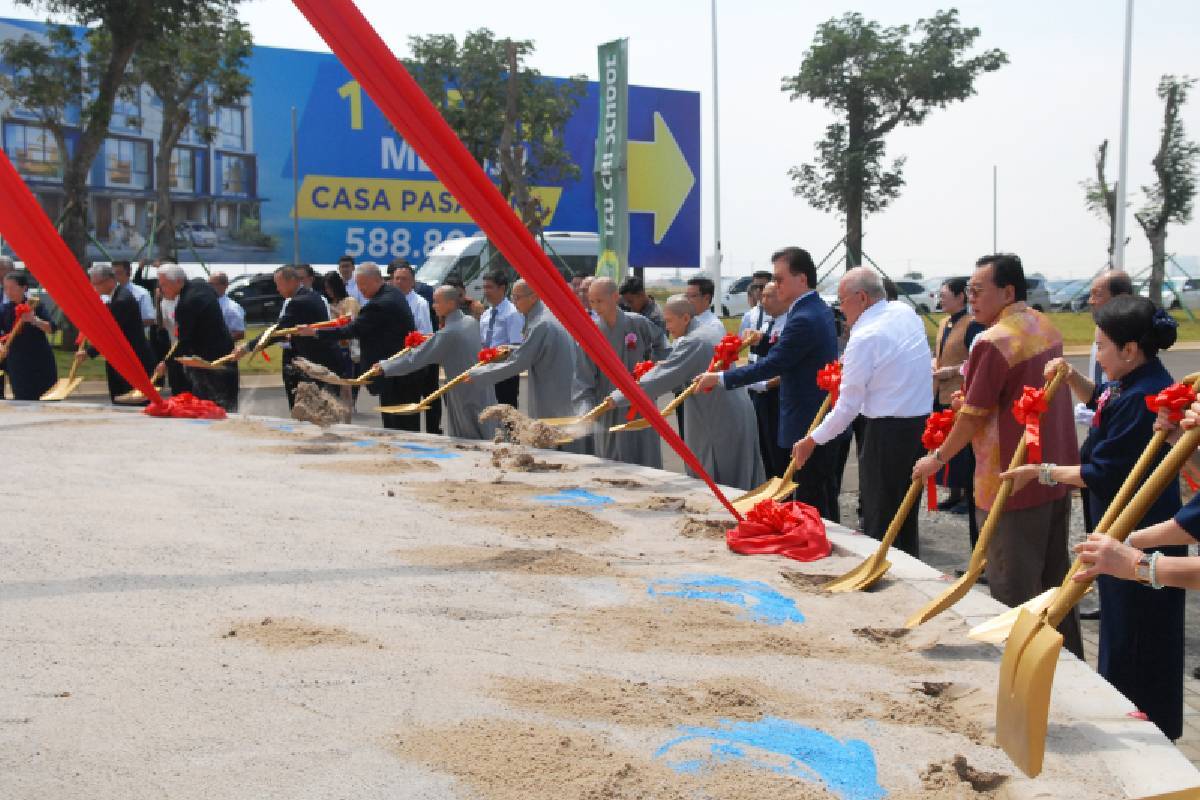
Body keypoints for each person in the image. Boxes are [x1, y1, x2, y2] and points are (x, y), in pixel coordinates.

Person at [1000, 295, 1182, 740]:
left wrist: (1041, 472)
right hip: (1117, 524)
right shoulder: (1131, 381)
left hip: (1140, 530)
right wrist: (1071, 378)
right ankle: (1122, 710)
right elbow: (1101, 399)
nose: (1095, 355)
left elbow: (1104, 471)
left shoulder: (1147, 396)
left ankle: (1145, 728)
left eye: (1100, 347)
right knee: (1121, 625)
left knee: (1137, 635)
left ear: (1130, 349)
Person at [912, 253, 1082, 659]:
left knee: (1013, 587)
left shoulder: (993, 340)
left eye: (977, 290)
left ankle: (1022, 673)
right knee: (1054, 584)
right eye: (968, 290)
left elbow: (972, 419)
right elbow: (990, 402)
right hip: (1051, 476)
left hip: (1010, 482)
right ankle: (1070, 665)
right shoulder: (1045, 324)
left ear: (1007, 292)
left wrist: (937, 458)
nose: (971, 298)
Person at [789, 267, 932, 557]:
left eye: (842, 301)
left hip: (886, 433)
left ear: (862, 297)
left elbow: (847, 408)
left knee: (880, 514)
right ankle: (907, 567)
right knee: (905, 513)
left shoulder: (865, 335)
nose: (841, 310)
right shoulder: (904, 312)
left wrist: (811, 441)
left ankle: (882, 573)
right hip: (919, 427)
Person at [695, 247, 842, 521]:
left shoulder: (804, 317)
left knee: (810, 496)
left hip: (805, 417)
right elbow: (789, 354)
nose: (775, 285)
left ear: (801, 279)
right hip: (809, 412)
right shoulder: (812, 308)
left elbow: (775, 364)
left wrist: (722, 378)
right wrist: (763, 343)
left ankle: (814, 550)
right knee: (816, 493)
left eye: (780, 278)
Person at [607, 295, 764, 490]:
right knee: (739, 477)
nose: (667, 327)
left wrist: (617, 397)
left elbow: (660, 379)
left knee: (722, 483)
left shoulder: (694, 341)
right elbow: (677, 366)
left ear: (686, 318)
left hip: (719, 419)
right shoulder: (707, 333)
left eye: (670, 321)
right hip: (734, 412)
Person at [297, 262, 416, 430]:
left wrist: (315, 332)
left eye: (363, 285)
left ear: (376, 280)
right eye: (358, 285)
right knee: (399, 417)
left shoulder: (380, 304)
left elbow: (351, 330)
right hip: (399, 366)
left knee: (397, 420)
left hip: (393, 369)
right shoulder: (393, 292)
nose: (360, 290)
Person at [573, 276, 669, 468]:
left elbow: (663, 345)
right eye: (592, 302)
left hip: (639, 400)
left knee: (644, 455)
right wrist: (586, 410)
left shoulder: (638, 323)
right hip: (607, 404)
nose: (595, 306)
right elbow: (583, 379)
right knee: (612, 462)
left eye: (600, 301)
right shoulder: (590, 334)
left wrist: (652, 369)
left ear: (615, 297)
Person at [378, 285, 495, 440]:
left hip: (464, 390)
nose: (433, 306)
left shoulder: (449, 332)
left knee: (469, 436)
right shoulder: (470, 321)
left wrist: (385, 367)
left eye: (437, 302)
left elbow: (416, 359)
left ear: (451, 304)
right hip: (481, 384)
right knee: (487, 427)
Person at [468, 279, 575, 420]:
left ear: (533, 297)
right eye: (512, 297)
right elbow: (529, 348)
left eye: (517, 298)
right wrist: (508, 349)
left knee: (551, 431)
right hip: (558, 383)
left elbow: (519, 361)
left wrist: (478, 374)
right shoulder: (545, 315)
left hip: (553, 388)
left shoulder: (541, 323)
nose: (514, 302)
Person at [235, 266, 341, 409]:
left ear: (291, 281)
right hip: (325, 360)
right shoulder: (312, 295)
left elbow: (277, 331)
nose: (277, 289)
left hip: (318, 363)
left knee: (317, 411)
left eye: (279, 285)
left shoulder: (298, 302)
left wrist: (247, 348)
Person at [932, 277, 985, 543]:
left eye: (944, 295)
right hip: (942, 392)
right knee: (947, 444)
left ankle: (965, 494)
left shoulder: (971, 325)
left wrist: (951, 371)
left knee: (963, 449)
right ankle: (953, 492)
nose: (940, 300)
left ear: (960, 297)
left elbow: (972, 360)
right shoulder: (944, 322)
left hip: (961, 394)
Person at [154, 265, 239, 412]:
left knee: (211, 402)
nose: (161, 289)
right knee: (227, 398)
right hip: (225, 349)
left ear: (178, 281)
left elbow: (184, 342)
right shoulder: (201, 284)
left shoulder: (186, 304)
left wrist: (166, 363)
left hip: (207, 360)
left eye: (163, 285)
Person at [78, 264, 156, 403]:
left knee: (131, 401)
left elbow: (111, 333)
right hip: (120, 357)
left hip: (132, 358)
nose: (94, 288)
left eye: (97, 284)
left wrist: (89, 352)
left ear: (110, 281)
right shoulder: (114, 298)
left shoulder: (122, 301)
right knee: (120, 400)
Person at [391, 261, 439, 434]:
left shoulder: (420, 303)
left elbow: (425, 334)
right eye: (396, 278)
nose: (399, 282)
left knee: (411, 406)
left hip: (412, 361)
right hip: (393, 362)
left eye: (403, 279)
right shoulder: (390, 300)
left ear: (412, 282)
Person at [747, 280, 789, 477]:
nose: (763, 301)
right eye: (762, 296)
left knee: (778, 450)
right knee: (764, 446)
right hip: (759, 391)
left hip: (777, 394)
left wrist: (768, 383)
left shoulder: (790, 323)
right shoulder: (766, 324)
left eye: (769, 296)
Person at [0, 271, 56, 400]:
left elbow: (51, 328)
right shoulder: (4, 309)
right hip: (17, 361)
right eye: (6, 288)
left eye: (12, 288)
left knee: (45, 397)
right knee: (22, 397)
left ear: (24, 288)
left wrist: (34, 320)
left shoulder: (36, 306)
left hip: (39, 359)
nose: (8, 292)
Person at [479, 271, 524, 409]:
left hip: (505, 371)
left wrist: (496, 356)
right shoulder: (486, 314)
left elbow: (516, 345)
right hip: (486, 368)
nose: (486, 291)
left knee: (507, 412)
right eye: (484, 287)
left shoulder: (512, 313)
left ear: (502, 288)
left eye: (490, 287)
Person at [112, 260, 156, 328]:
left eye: (119, 273)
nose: (116, 277)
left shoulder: (142, 293)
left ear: (129, 272)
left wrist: (126, 325)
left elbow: (149, 319)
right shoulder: (108, 292)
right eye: (113, 274)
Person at [207, 272, 246, 342]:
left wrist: (217, 341)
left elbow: (240, 333)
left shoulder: (232, 308)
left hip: (223, 350)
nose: (209, 287)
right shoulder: (205, 303)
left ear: (225, 285)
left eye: (213, 284)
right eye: (209, 284)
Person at [738, 270, 772, 335]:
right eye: (755, 287)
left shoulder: (778, 314)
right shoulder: (749, 315)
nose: (758, 290)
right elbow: (741, 340)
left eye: (762, 287)